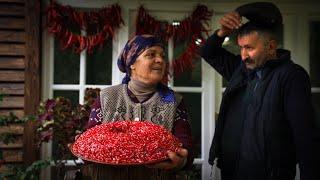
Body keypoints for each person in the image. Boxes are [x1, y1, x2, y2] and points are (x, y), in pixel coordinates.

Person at [200, 2, 319, 180]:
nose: (243, 55)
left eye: (249, 48)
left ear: (271, 47)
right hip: (231, 172)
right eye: (241, 47)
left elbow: (305, 137)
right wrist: (222, 32)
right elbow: (208, 52)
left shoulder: (291, 76)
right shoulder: (241, 70)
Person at [83, 34, 194, 179]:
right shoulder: (107, 97)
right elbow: (88, 147)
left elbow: (186, 148)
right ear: (132, 63)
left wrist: (181, 161)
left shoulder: (172, 100)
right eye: (151, 54)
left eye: (162, 56)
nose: (160, 60)